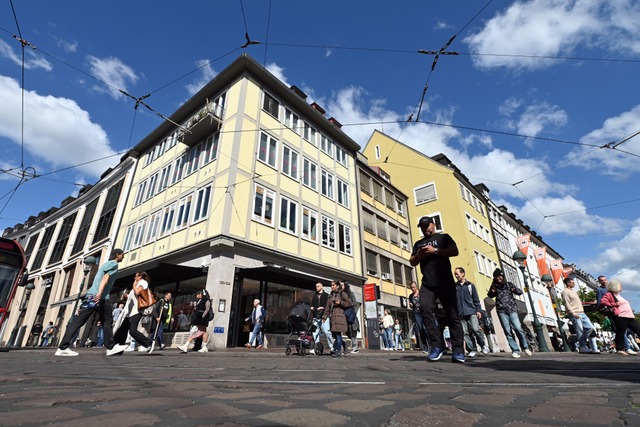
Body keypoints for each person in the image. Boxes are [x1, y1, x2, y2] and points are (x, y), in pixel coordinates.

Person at [409, 215, 464, 363]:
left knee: (452, 314)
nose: (425, 229)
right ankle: (437, 346)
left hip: (445, 281)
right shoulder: (419, 243)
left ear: (433, 225)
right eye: (422, 227)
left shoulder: (443, 238)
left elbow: (455, 251)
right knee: (425, 309)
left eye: (427, 226)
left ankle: (458, 350)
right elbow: (412, 261)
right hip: (427, 283)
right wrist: (419, 255)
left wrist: (435, 250)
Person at [55, 249, 128, 357]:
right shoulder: (113, 264)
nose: (123, 257)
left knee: (78, 321)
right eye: (122, 255)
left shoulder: (105, 264)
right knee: (107, 321)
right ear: (117, 255)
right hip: (101, 297)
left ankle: (62, 347)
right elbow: (105, 278)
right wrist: (99, 294)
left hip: (91, 296)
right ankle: (111, 347)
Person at [487, 268, 532, 358]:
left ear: (503, 276)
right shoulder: (494, 286)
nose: (499, 278)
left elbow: (519, 292)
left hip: (512, 309)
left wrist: (514, 290)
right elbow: (490, 295)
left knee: (518, 327)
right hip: (501, 310)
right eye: (497, 277)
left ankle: (525, 347)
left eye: (500, 276)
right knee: (507, 331)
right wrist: (492, 292)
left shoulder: (508, 284)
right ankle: (515, 350)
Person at [454, 267, 489, 357]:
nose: (456, 276)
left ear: (463, 274)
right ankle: (471, 349)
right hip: (461, 313)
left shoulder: (470, 286)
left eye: (457, 274)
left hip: (471, 311)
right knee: (465, 333)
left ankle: (483, 345)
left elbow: (476, 299)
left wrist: (478, 310)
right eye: (455, 274)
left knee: (476, 329)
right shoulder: (455, 287)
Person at [601, 279, 640, 356]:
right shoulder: (609, 294)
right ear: (614, 286)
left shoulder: (618, 295)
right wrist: (614, 304)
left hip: (629, 316)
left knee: (638, 329)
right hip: (621, 316)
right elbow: (603, 301)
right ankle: (620, 349)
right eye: (620, 285)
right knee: (620, 332)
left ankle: (622, 348)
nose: (621, 286)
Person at [121, 271, 155, 353]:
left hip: (136, 311)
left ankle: (148, 343)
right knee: (129, 330)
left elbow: (138, 292)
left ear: (141, 277)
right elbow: (133, 297)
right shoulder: (138, 284)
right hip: (131, 311)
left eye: (136, 276)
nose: (134, 278)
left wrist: (133, 285)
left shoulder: (143, 282)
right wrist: (126, 296)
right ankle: (144, 344)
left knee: (132, 331)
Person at [561, 276, 594, 354]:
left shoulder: (573, 291)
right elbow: (567, 303)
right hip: (575, 313)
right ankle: (583, 347)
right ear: (568, 283)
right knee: (579, 330)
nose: (574, 283)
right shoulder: (565, 292)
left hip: (582, 312)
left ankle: (581, 343)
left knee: (590, 327)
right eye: (572, 282)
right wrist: (573, 313)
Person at [323, 280, 352, 357]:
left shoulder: (342, 294)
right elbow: (327, 308)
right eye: (331, 285)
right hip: (332, 318)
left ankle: (338, 351)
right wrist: (324, 317)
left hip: (340, 317)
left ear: (338, 286)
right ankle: (343, 344)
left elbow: (349, 303)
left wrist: (341, 303)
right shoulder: (330, 296)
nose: (332, 286)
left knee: (338, 335)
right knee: (335, 335)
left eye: (333, 285)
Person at [310, 282, 334, 354]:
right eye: (316, 286)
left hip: (324, 317)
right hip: (316, 316)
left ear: (322, 287)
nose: (316, 288)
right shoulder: (314, 296)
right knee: (315, 333)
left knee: (327, 331)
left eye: (318, 286)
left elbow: (329, 306)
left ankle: (331, 347)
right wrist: (312, 308)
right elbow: (312, 304)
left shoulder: (326, 296)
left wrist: (323, 308)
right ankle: (316, 348)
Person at [408, 281, 429, 353]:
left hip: (424, 312)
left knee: (426, 329)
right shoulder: (411, 296)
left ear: (416, 286)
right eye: (411, 288)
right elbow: (411, 305)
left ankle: (431, 346)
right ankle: (425, 347)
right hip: (417, 313)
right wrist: (411, 305)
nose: (412, 289)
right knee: (421, 329)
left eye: (413, 287)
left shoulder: (421, 293)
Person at [341, 281, 359, 353]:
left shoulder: (350, 293)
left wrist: (352, 313)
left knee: (352, 332)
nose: (341, 286)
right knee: (345, 332)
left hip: (351, 316)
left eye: (342, 285)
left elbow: (355, 304)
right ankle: (344, 344)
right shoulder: (340, 294)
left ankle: (355, 348)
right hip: (343, 316)